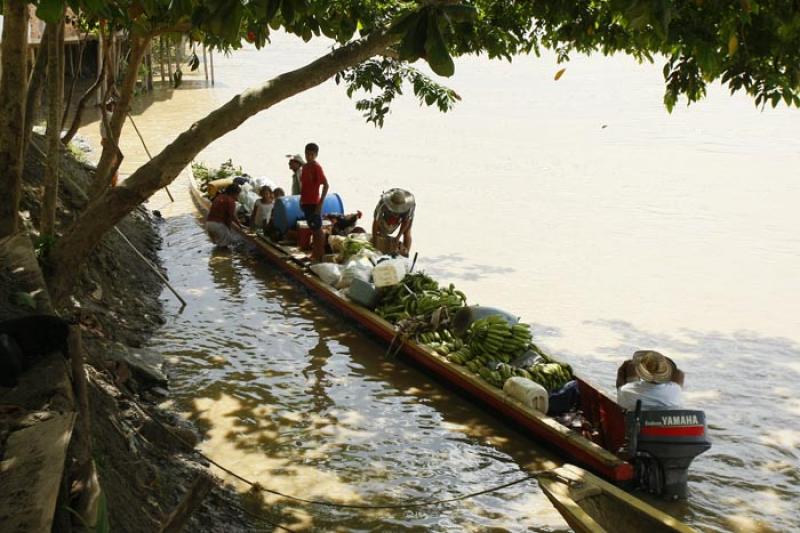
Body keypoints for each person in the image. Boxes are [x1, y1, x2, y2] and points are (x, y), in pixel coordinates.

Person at [616, 350, 684, 411]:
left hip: (636, 417)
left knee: (629, 365)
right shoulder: (676, 390)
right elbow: (679, 373)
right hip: (660, 419)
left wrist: (621, 371)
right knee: (679, 373)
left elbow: (621, 394)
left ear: (641, 371)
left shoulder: (626, 390)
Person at [299, 142, 329, 262]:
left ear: (316, 155)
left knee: (317, 230)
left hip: (314, 203)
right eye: (307, 154)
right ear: (305, 153)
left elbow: (326, 185)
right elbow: (304, 186)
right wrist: (301, 200)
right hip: (305, 202)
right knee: (312, 228)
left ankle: (319, 255)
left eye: (312, 154)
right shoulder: (305, 167)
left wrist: (320, 204)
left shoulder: (317, 167)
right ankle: (314, 254)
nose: (309, 156)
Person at [372, 188, 415, 256]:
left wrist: (398, 237)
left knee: (406, 232)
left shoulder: (409, 206)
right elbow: (376, 222)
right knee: (380, 230)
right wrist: (374, 242)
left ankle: (405, 256)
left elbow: (406, 222)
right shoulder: (383, 203)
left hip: (404, 214)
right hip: (388, 213)